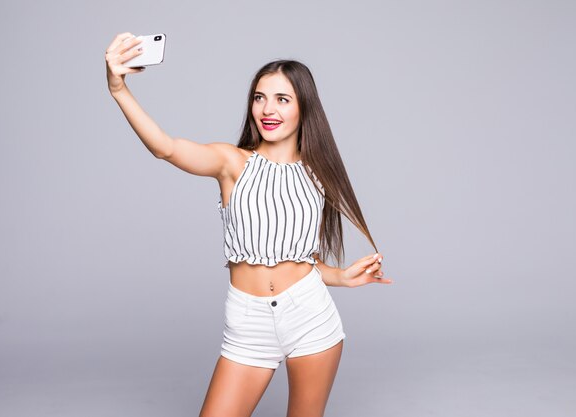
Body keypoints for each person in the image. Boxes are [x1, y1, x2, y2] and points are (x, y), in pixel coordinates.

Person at [105, 32, 393, 417]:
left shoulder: (317, 174)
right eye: (259, 98)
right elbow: (166, 148)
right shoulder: (232, 163)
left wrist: (340, 277)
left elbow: (300, 259)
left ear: (304, 108)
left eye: (282, 99)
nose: (267, 109)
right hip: (247, 323)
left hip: (310, 316)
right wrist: (118, 88)